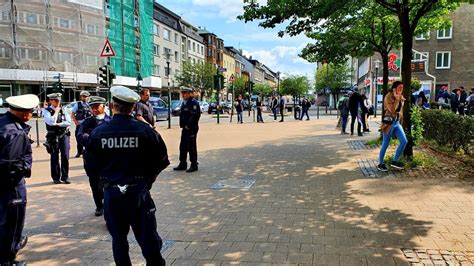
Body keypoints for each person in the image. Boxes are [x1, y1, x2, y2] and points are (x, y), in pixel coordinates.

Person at [84, 86, 169, 266]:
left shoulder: (98, 133)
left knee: (119, 240)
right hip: (139, 193)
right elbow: (161, 159)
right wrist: (148, 180)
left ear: (111, 105)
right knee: (149, 241)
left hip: (113, 195)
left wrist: (104, 183)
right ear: (133, 107)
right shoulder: (145, 131)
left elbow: (90, 167)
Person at [0, 94, 39, 266]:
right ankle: (7, 259)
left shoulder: (4, 123)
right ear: (25, 114)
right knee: (12, 223)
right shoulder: (15, 132)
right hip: (11, 186)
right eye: (31, 111)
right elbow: (11, 165)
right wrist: (25, 169)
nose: (32, 114)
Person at [77, 96, 111, 217]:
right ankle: (99, 205)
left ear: (104, 106)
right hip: (92, 159)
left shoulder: (111, 121)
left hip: (108, 160)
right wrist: (96, 140)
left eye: (97, 107)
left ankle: (108, 206)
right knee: (95, 185)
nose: (94, 110)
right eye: (92, 107)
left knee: (110, 184)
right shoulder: (87, 122)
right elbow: (80, 137)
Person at [377, 81, 408, 172]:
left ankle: (395, 161)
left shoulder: (401, 98)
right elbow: (391, 110)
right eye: (399, 87)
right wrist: (396, 99)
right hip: (389, 124)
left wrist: (400, 121)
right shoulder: (388, 97)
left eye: (402, 87)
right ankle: (381, 163)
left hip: (397, 123)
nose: (401, 89)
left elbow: (400, 112)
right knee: (385, 144)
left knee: (404, 141)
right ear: (394, 88)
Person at [43, 93, 72, 184]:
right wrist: (56, 112)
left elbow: (68, 122)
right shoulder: (47, 111)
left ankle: (65, 177)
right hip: (53, 136)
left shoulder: (64, 109)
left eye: (59, 101)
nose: (58, 103)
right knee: (54, 157)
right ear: (51, 101)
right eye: (56, 101)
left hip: (64, 135)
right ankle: (55, 177)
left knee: (65, 156)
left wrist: (59, 124)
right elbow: (51, 122)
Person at [174, 87, 201, 173]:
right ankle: (183, 163)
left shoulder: (194, 103)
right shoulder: (184, 103)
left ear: (189, 93)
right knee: (183, 146)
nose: (183, 94)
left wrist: (188, 126)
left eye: (185, 93)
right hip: (185, 128)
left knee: (191, 147)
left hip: (191, 128)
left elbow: (195, 116)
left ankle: (194, 164)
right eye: (182, 93)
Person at [71, 91, 91, 158]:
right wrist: (76, 122)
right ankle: (79, 152)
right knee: (79, 138)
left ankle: (87, 151)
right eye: (83, 96)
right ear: (81, 97)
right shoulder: (77, 104)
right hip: (80, 124)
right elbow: (72, 114)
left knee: (88, 138)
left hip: (88, 125)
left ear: (88, 97)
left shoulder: (90, 104)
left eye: (86, 96)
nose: (84, 98)